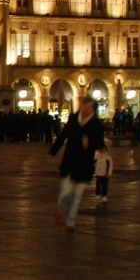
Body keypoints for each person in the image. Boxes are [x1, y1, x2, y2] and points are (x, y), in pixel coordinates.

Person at [49, 95, 105, 231]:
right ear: (82, 105)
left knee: (77, 195)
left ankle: (70, 222)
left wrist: (92, 144)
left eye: (90, 107)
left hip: (85, 163)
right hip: (70, 160)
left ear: (93, 109)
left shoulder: (97, 123)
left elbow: (99, 142)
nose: (87, 109)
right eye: (86, 105)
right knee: (66, 191)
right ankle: (60, 206)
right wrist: (54, 150)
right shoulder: (74, 118)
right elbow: (64, 135)